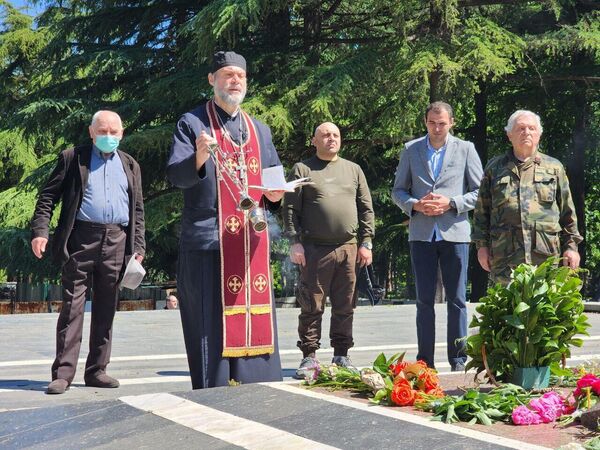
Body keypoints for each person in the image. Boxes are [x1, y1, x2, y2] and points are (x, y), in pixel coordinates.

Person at [167, 51, 284, 389]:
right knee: (210, 330)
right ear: (212, 80)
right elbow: (176, 175)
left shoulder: (259, 130)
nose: (235, 81)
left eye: (240, 76)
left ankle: (259, 388)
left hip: (251, 244)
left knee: (255, 324)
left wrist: (276, 196)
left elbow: (274, 180)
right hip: (208, 242)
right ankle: (213, 395)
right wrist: (200, 156)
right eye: (227, 74)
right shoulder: (191, 123)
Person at [30, 110, 145, 394]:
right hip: (81, 238)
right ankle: (63, 375)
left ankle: (97, 371)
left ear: (122, 133)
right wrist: (40, 232)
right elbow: (47, 197)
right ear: (91, 132)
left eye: (114, 132)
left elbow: (138, 211)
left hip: (117, 240)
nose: (108, 137)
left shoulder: (130, 164)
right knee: (72, 306)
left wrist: (138, 247)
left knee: (107, 308)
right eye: (102, 131)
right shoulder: (73, 158)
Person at [391, 101, 483, 371]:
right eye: (432, 122)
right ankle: (425, 362)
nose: (437, 128)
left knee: (456, 300)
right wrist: (415, 205)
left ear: (452, 123)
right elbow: (398, 191)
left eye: (442, 123)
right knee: (424, 301)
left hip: (454, 233)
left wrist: (451, 203)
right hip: (421, 234)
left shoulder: (466, 149)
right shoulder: (411, 150)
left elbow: (479, 192)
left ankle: (457, 360)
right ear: (425, 122)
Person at [283, 122, 375, 378]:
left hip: (349, 248)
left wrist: (366, 242)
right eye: (324, 135)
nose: (331, 139)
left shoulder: (353, 170)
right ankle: (309, 357)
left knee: (346, 305)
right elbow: (290, 209)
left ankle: (342, 355)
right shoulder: (302, 169)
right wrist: (294, 242)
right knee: (312, 305)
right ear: (314, 140)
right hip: (313, 250)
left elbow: (366, 208)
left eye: (335, 135)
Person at [473, 110, 582, 284]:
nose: (527, 132)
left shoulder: (554, 168)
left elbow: (568, 214)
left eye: (532, 128)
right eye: (521, 128)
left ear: (539, 134)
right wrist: (481, 247)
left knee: (545, 309)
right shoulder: (495, 168)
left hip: (545, 258)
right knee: (507, 310)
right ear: (509, 135)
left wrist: (571, 247)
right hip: (505, 260)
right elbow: (481, 213)